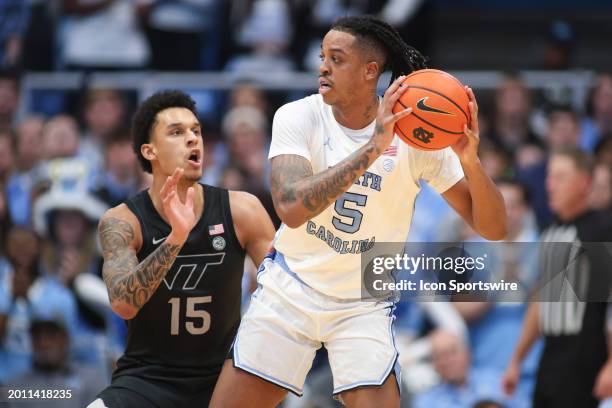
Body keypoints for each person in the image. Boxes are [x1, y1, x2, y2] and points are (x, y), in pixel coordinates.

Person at [210, 15, 506, 408]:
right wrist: (372, 149)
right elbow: (291, 208)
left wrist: (469, 160)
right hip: (292, 287)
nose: (323, 67)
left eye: (336, 58)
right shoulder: (298, 116)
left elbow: (495, 227)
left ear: (370, 71)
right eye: (322, 57)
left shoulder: (415, 134)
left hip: (363, 300)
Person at [88, 90, 275, 407]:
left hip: (225, 382)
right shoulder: (122, 221)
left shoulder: (243, 210)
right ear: (150, 151)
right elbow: (123, 304)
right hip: (145, 381)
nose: (192, 139)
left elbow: (289, 289)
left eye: (196, 131)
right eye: (176, 132)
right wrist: (176, 237)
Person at [502, 148, 612, 408]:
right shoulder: (551, 230)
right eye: (550, 177)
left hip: (588, 360)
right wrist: (516, 359)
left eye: (561, 178)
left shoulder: (600, 231)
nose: (550, 185)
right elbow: (542, 301)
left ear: (585, 182)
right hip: (550, 357)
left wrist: (610, 364)